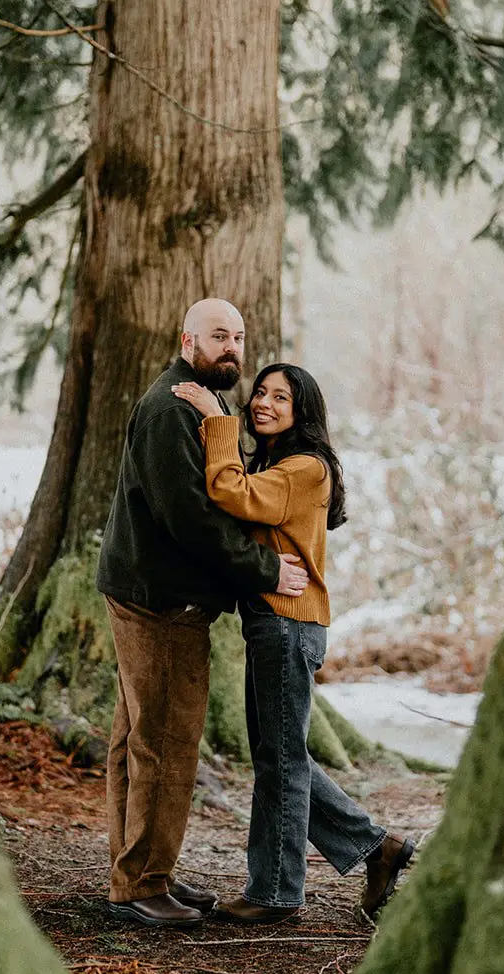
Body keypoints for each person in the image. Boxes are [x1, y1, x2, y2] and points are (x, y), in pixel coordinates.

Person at [172, 363, 414, 925]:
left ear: (302, 411)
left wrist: (216, 421)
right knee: (280, 756)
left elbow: (232, 493)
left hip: (287, 624)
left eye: (281, 397)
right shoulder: (281, 463)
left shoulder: (305, 467)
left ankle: (276, 892)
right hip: (274, 622)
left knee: (280, 761)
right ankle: (377, 848)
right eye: (260, 392)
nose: (264, 402)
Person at [96, 299, 311, 927]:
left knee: (137, 740)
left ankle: (139, 873)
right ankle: (142, 884)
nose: (232, 347)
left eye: (238, 337)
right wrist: (266, 569)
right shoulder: (171, 409)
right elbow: (191, 520)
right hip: (162, 601)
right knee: (164, 743)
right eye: (219, 336)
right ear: (187, 340)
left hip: (150, 590)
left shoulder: (199, 403)